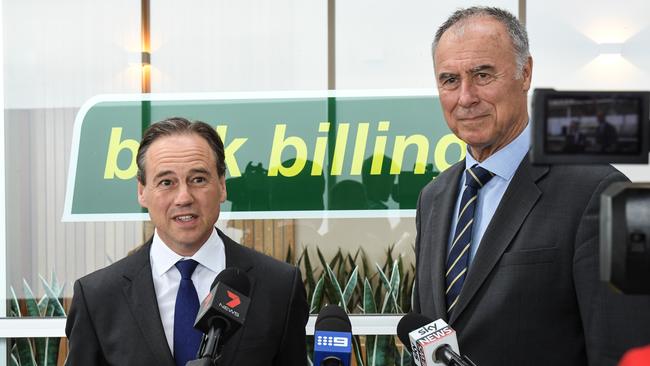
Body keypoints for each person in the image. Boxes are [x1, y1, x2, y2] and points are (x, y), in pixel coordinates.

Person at [413, 7, 650, 366]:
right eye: (449, 80)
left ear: (525, 74)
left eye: (482, 75)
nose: (465, 97)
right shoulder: (432, 198)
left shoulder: (599, 192)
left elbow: (621, 351)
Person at [65, 117, 309, 366]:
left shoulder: (279, 287)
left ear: (222, 185)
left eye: (198, 179)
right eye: (166, 182)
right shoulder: (98, 297)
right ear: (142, 191)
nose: (183, 197)